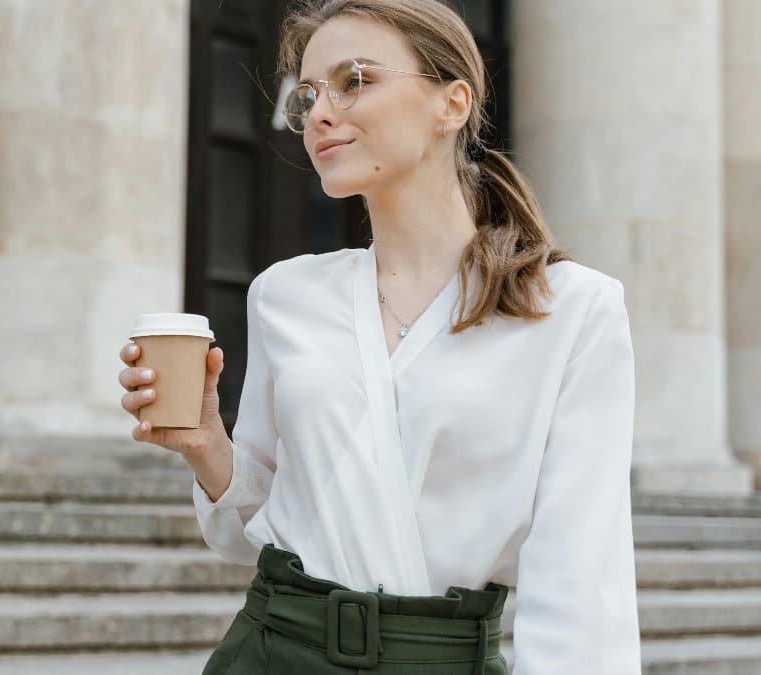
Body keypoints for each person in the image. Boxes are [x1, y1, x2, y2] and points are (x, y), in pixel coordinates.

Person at [118, 0, 641, 672]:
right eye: (307, 94)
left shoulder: (573, 310)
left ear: (452, 104)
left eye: (354, 80)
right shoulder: (285, 295)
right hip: (274, 650)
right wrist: (207, 444)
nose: (318, 112)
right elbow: (255, 528)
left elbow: (582, 583)